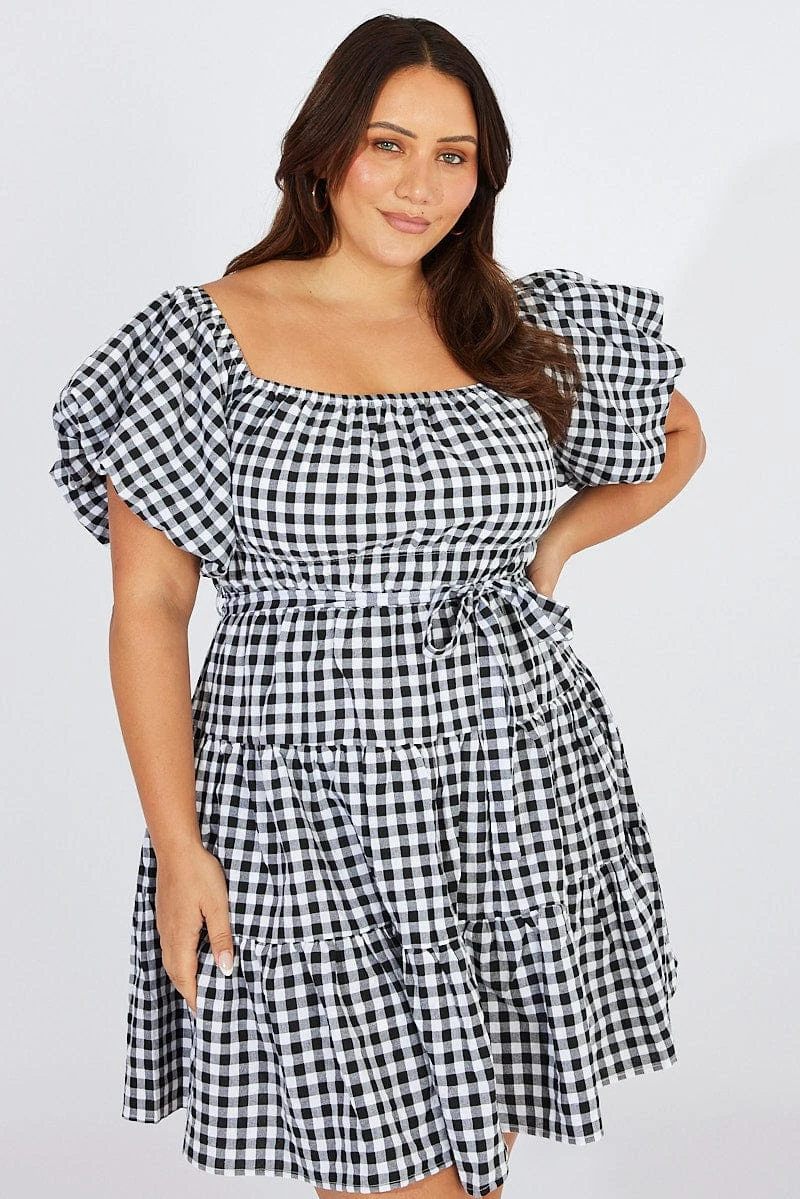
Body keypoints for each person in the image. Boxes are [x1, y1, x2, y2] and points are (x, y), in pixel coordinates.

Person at [48, 14, 705, 1199]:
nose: (418, 185)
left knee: (471, 1159)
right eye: (387, 144)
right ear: (324, 148)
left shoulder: (502, 320)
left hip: (509, 777)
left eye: (453, 156)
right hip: (298, 798)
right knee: (389, 1169)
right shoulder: (200, 337)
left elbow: (673, 432)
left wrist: (548, 547)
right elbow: (148, 602)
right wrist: (177, 844)